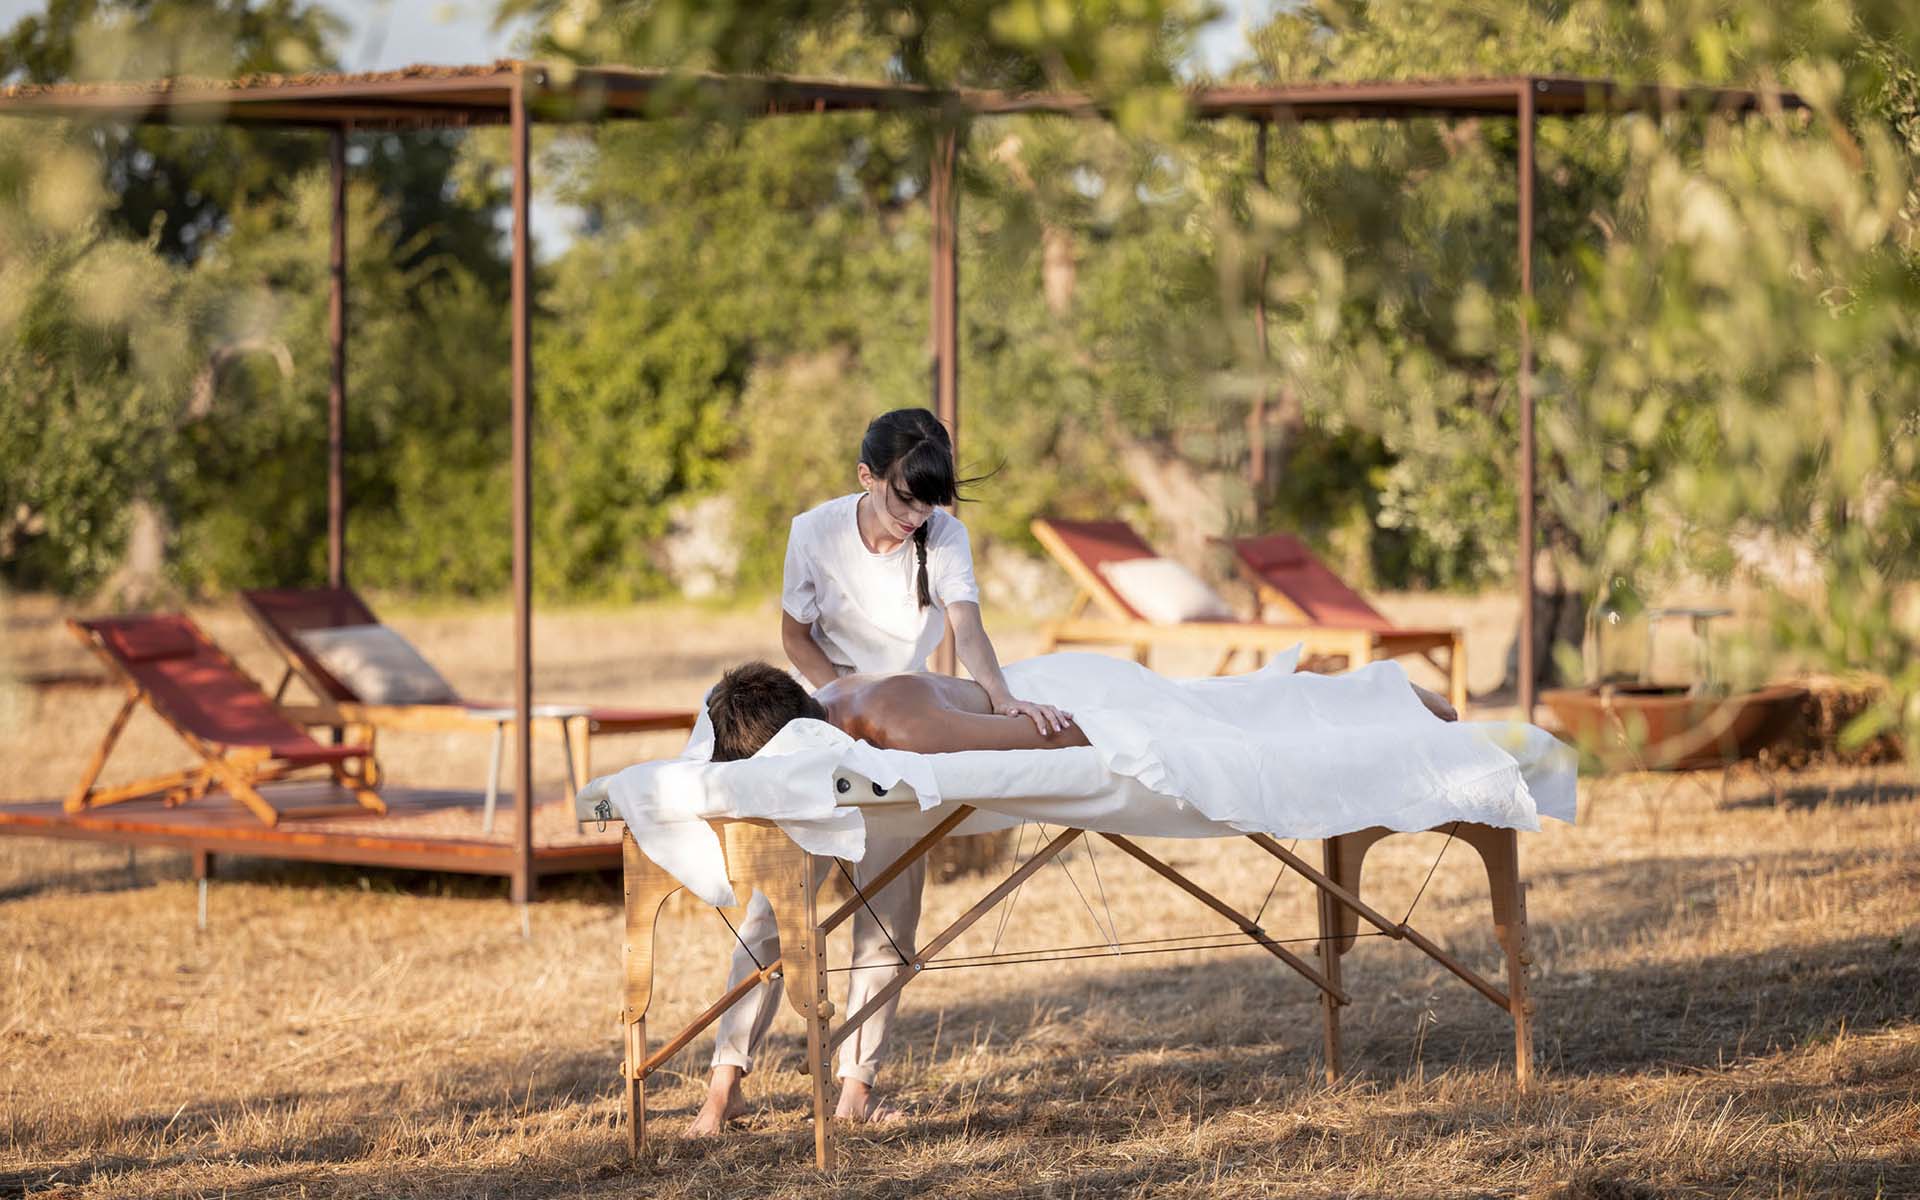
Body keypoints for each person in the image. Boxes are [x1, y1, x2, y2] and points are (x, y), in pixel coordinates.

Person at [690, 408, 1067, 1136]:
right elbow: (794, 633)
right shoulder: (815, 531)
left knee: (887, 921)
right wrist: (834, 695)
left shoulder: (942, 535)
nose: (914, 517)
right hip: (819, 723)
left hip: (904, 733)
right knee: (773, 914)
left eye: (928, 503)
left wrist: (1003, 699)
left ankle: (855, 1089)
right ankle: (722, 1087)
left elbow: (967, 626)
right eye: (903, 500)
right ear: (866, 477)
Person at [707, 657, 1457, 762]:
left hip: (1083, 698)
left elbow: (1038, 737)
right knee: (1225, 698)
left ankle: (1392, 697)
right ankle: (1356, 689)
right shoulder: (829, 695)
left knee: (1229, 712)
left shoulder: (891, 724)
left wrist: (1144, 736)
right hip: (1055, 681)